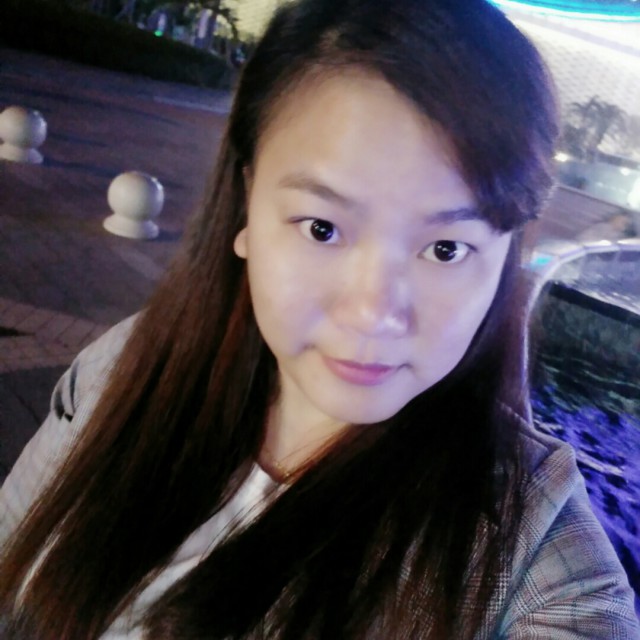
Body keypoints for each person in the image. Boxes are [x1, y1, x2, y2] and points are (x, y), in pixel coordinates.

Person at [1, 0, 638, 637]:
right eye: (322, 228)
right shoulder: (125, 372)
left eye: (446, 249)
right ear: (246, 204)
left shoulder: (532, 558)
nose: (373, 313)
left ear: (502, 261)